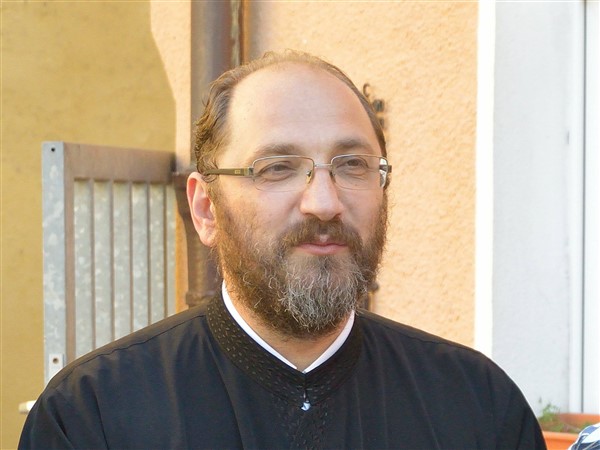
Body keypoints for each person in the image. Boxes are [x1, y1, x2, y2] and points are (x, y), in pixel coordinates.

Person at [19, 50, 546, 449]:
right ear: (205, 209)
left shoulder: (477, 405)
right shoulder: (93, 417)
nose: (324, 203)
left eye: (352, 165)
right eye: (277, 168)